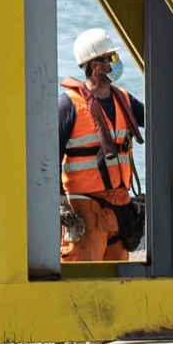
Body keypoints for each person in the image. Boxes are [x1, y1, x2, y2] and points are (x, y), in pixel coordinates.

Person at [59, 29, 145, 262]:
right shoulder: (69, 105)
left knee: (116, 279)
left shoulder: (124, 100)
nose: (116, 63)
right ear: (96, 66)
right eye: (112, 58)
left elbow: (158, 120)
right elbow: (48, 156)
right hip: (86, 207)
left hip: (120, 205)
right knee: (81, 279)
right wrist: (60, 204)